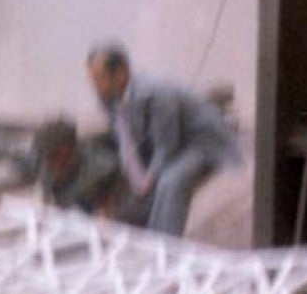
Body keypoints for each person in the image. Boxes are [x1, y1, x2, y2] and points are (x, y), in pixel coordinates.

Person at [86, 41, 241, 236]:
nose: (95, 86)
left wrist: (149, 178)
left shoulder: (154, 94)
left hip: (200, 141)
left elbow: (167, 146)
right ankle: (151, 235)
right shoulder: (110, 99)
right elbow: (127, 139)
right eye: (92, 80)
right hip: (176, 142)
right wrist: (136, 177)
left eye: (99, 79)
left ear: (121, 73)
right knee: (146, 189)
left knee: (172, 181)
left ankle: (167, 242)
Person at [32, 118, 120, 216]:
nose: (54, 164)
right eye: (49, 157)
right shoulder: (46, 170)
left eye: (57, 155)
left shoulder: (102, 169)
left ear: (71, 148)